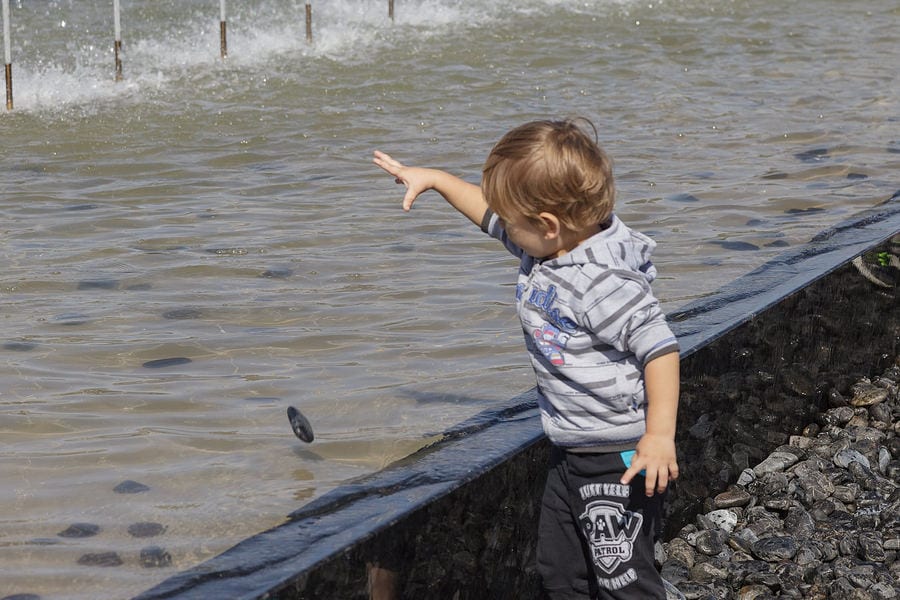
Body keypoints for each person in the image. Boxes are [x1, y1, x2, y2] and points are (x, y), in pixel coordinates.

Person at [374, 118, 680, 600]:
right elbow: (484, 211)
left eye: (510, 220)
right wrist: (433, 178)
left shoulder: (602, 281)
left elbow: (660, 350)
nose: (501, 227)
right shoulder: (550, 247)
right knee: (560, 570)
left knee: (624, 577)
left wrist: (659, 436)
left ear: (547, 225)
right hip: (570, 449)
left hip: (614, 457)